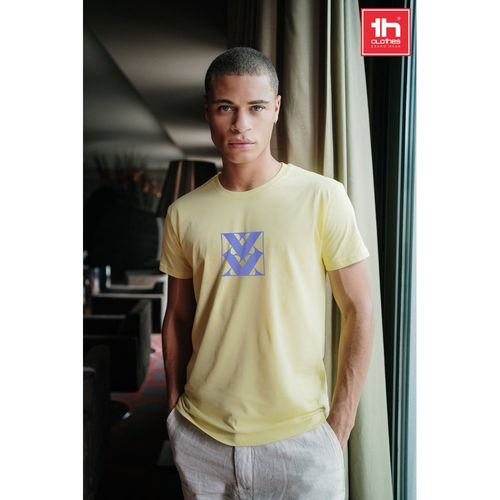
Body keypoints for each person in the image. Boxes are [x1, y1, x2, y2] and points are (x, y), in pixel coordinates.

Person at [159, 47, 374, 500]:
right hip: (202, 438)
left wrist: (340, 424)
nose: (241, 124)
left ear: (276, 108)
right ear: (208, 112)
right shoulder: (183, 214)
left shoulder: (323, 198)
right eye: (226, 107)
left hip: (302, 442)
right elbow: (176, 316)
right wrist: (174, 409)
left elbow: (359, 310)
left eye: (255, 107)